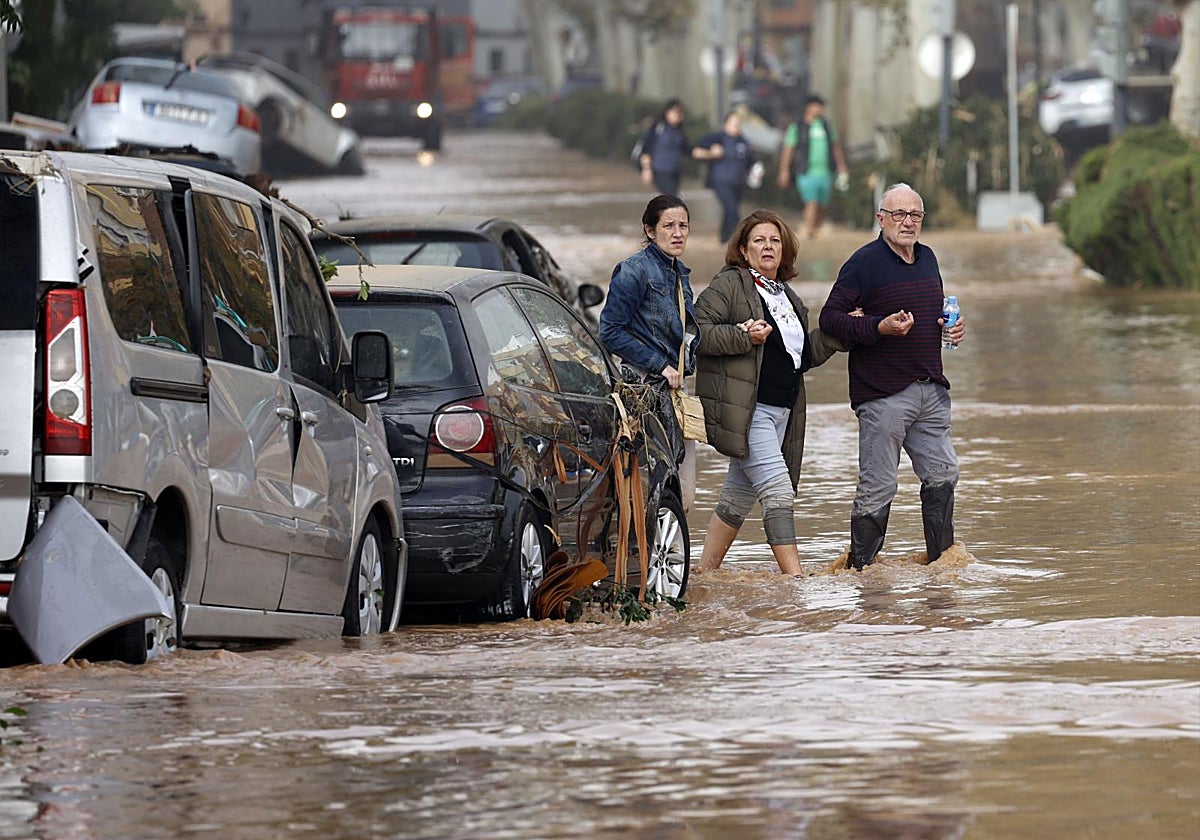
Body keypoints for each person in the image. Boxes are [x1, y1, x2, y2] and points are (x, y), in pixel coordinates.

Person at [691, 209, 856, 575]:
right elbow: (696, 333)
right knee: (778, 491)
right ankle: (794, 581)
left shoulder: (788, 297)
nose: (768, 246)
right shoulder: (730, 284)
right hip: (748, 411)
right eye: (759, 241)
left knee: (737, 496)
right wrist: (742, 336)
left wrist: (842, 331)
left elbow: (802, 358)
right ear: (744, 250)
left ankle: (703, 575)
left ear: (785, 250)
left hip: (783, 412)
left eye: (775, 240)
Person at [818, 183, 967, 571]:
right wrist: (878, 327)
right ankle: (862, 576)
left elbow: (933, 314)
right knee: (879, 486)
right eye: (898, 215)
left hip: (930, 387)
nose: (907, 222)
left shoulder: (928, 258)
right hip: (882, 393)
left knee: (943, 473)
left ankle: (940, 568)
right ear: (880, 218)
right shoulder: (864, 262)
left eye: (915, 215)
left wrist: (948, 328)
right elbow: (829, 318)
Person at [599, 194, 699, 510]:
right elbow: (610, 331)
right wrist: (659, 364)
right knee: (653, 489)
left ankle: (674, 556)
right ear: (650, 230)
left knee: (684, 489)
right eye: (668, 225)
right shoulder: (633, 271)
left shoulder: (679, 273)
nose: (678, 232)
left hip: (675, 389)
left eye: (683, 225)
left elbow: (686, 331)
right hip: (643, 393)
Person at [777, 94, 848, 239]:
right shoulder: (797, 127)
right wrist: (784, 170)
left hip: (825, 172)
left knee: (822, 203)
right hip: (806, 172)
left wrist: (841, 166)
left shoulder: (826, 126)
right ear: (808, 107)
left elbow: (835, 147)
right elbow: (788, 149)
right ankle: (808, 229)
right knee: (811, 201)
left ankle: (817, 227)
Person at [692, 111, 757, 243]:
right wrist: (711, 153)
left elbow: (751, 161)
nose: (736, 127)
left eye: (739, 124)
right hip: (720, 181)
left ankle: (724, 238)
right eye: (734, 124)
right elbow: (695, 152)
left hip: (738, 183)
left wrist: (756, 171)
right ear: (726, 124)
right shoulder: (716, 138)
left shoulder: (743, 141)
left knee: (730, 210)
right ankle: (737, 240)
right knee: (731, 208)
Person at [637, 98, 690, 196]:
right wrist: (647, 169)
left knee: (671, 199)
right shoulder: (657, 128)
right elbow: (646, 149)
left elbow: (686, 149)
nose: (679, 115)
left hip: (675, 171)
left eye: (681, 112)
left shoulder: (679, 131)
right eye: (676, 112)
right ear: (667, 112)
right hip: (660, 170)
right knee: (672, 198)